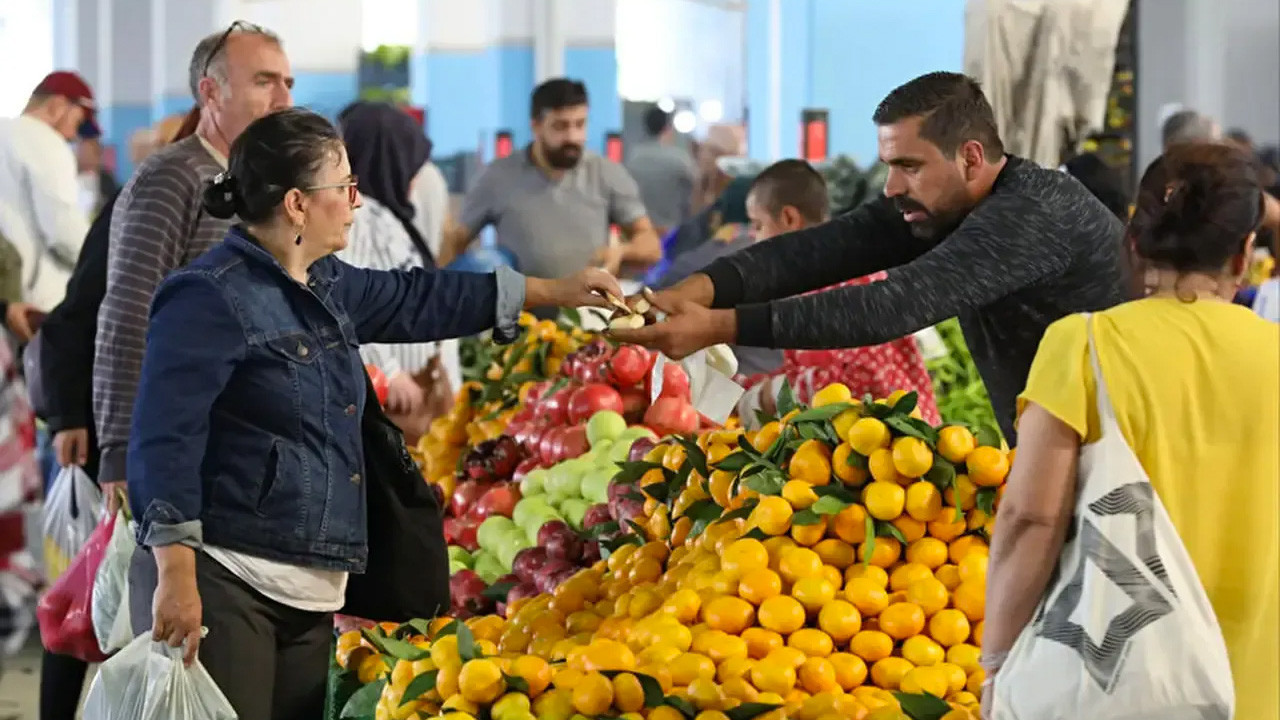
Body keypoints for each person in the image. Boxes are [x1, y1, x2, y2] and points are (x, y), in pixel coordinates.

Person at [127, 108, 620, 720]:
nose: (357, 203)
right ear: (298, 204)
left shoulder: (324, 280)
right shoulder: (208, 295)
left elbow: (420, 298)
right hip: (231, 578)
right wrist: (175, 572)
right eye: (345, 189)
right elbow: (162, 437)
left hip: (312, 584)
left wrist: (555, 291)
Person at [612, 71, 1130, 442]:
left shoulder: (1029, 214)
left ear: (971, 157)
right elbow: (822, 249)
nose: (891, 185)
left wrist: (717, 326)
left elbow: (891, 305)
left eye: (909, 165)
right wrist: (694, 291)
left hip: (1121, 449)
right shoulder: (945, 204)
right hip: (1063, 442)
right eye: (888, 164)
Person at [983, 143, 1279, 719]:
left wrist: (997, 661)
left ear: (1135, 239)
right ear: (1244, 253)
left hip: (1122, 683)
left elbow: (1030, 518)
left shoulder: (1085, 345)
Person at [32, 115, 195, 720]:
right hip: (111, 429)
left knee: (121, 585)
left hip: (150, 423)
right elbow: (75, 318)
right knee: (97, 581)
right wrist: (71, 418)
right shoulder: (139, 209)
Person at [94, 21, 292, 514]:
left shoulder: (249, 181)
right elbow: (127, 312)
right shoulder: (171, 178)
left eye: (288, 83)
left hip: (238, 444)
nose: (283, 99)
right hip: (178, 444)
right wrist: (118, 452)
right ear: (211, 91)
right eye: (264, 81)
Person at [728, 160, 941, 424]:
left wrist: (770, 394)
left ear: (789, 218)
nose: (752, 236)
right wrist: (741, 388)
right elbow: (802, 371)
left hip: (899, 451)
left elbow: (863, 379)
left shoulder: (845, 282)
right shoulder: (805, 287)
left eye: (758, 224)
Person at [442, 78, 661, 284]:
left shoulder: (607, 173)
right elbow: (457, 241)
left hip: (585, 312)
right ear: (536, 126)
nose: (572, 137)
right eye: (560, 126)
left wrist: (622, 252)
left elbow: (651, 246)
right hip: (519, 313)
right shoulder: (497, 176)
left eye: (580, 124)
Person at [338, 101, 453, 440]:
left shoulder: (386, 217)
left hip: (414, 385)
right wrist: (389, 373)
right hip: (394, 393)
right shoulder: (359, 220)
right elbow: (350, 300)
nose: (416, 178)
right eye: (411, 164)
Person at [0, 71, 96, 310]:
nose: (74, 135)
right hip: (32, 301)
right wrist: (104, 265)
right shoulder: (45, 140)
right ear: (57, 106)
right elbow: (62, 229)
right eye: (77, 122)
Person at [626, 105, 695, 236]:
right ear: (667, 129)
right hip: (672, 234)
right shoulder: (680, 160)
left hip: (640, 232)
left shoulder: (632, 158)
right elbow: (697, 191)